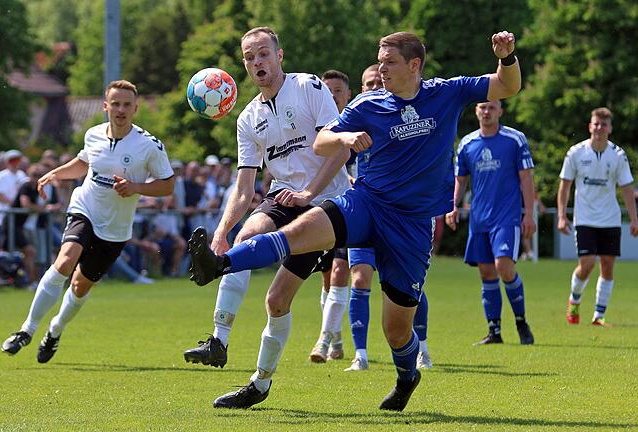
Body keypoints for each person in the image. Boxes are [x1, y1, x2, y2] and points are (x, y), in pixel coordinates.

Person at [188, 30, 521, 411]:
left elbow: (506, 86)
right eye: (379, 60)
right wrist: (345, 140)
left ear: (414, 65)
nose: (381, 68)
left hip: (411, 225)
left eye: (389, 61)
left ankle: (407, 376)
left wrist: (506, 57)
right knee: (298, 232)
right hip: (366, 202)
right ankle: (220, 264)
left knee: (396, 331)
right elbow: (322, 142)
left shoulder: (447, 91)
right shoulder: (368, 103)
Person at [182, 26, 351, 384]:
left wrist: (308, 195)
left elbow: (340, 150)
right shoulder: (247, 118)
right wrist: (221, 232)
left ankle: (260, 381)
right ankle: (218, 340)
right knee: (245, 238)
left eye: (263, 53)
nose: (257, 62)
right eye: (249, 57)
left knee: (276, 301)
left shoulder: (309, 87)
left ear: (279, 56)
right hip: (284, 197)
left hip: (325, 205)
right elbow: (244, 188)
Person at [0, 79, 174, 363]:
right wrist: (56, 173)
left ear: (135, 108)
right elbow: (84, 163)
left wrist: (136, 187)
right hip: (85, 209)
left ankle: (55, 330)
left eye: (126, 105)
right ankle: (26, 330)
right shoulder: (93, 134)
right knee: (65, 261)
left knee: (80, 287)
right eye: (115, 103)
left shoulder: (149, 145)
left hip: (116, 228)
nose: (120, 109)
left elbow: (167, 185)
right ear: (105, 105)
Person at [342, 64, 433, 372]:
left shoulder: (397, 119)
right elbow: (334, 159)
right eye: (367, 83)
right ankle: (361, 354)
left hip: (400, 217)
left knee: (408, 287)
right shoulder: (357, 120)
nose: (372, 86)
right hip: (365, 213)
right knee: (360, 277)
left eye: (376, 82)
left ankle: (422, 347)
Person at [446, 100, 536, 345]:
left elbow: (526, 178)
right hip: (479, 218)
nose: (486, 112)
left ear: (500, 111)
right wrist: (452, 206)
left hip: (506, 217)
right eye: (482, 107)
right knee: (486, 273)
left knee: (504, 267)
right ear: (475, 111)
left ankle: (521, 321)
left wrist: (529, 213)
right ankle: (494, 331)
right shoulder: (467, 144)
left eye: (491, 108)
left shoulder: (514, 140)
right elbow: (460, 179)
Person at [557, 107, 638, 327]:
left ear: (610, 128)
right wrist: (561, 216)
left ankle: (598, 316)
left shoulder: (618, 155)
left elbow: (627, 188)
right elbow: (565, 185)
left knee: (607, 266)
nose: (599, 128)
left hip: (610, 219)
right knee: (586, 264)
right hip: (584, 218)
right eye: (596, 124)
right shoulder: (575, 153)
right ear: (590, 126)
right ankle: (574, 300)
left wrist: (633, 220)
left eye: (604, 124)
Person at [309, 69, 353, 363]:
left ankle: (323, 341)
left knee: (340, 272)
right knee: (327, 278)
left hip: (353, 208)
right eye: (328, 90)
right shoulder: (316, 131)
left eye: (338, 90)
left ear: (348, 94)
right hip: (321, 208)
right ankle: (335, 339)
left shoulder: (359, 122)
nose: (333, 95)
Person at [0, 149, 28, 251]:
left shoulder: (22, 175)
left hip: (17, 221)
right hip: (2, 219)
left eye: (17, 160)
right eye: (12, 160)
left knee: (20, 250)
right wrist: (14, 204)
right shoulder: (1, 176)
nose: (15, 163)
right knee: (4, 249)